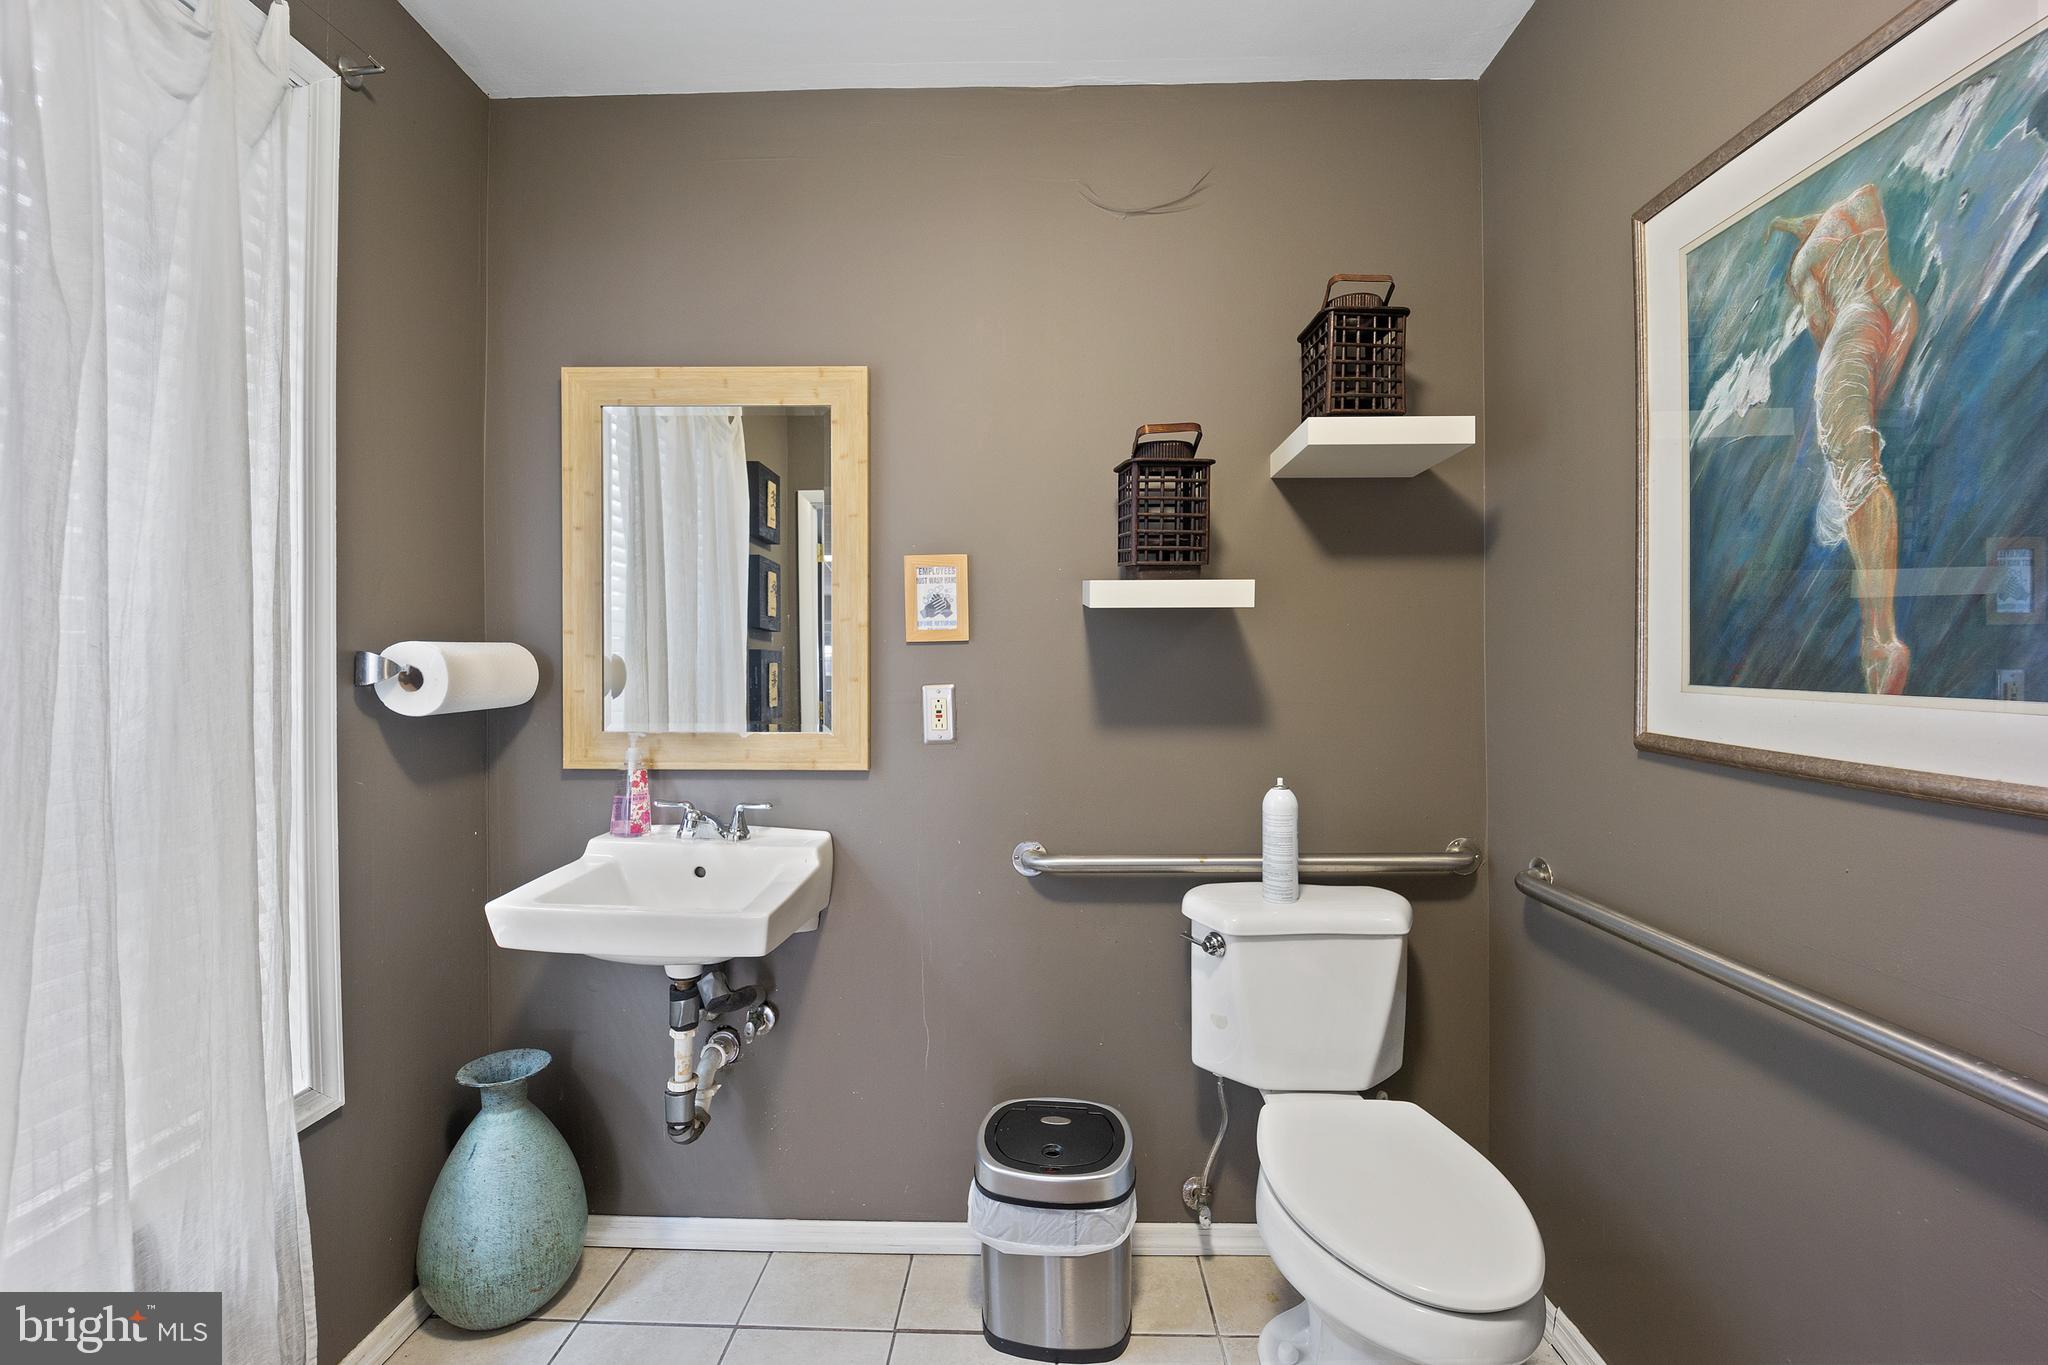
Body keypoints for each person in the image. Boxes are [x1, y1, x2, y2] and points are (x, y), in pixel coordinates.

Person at [1768, 183, 1920, 694]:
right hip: (1885, 315)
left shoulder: (1804, 266)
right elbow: (1894, 296)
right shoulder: (1861, 204)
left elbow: (1817, 322)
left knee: (1854, 469)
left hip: (1846, 333)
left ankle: (1881, 638)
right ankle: (1879, 634)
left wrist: (1809, 288)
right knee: (1861, 469)